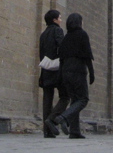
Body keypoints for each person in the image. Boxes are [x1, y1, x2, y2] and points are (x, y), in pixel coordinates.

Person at [45, 12, 95, 139]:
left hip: (66, 72)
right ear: (79, 22)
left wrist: (61, 76)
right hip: (78, 71)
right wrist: (91, 72)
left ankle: (74, 131)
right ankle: (62, 117)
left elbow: (61, 58)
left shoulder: (66, 37)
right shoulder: (82, 34)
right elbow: (87, 55)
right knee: (83, 99)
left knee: (74, 101)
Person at [39, 9, 69, 138]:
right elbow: (62, 48)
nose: (61, 20)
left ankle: (47, 131)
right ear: (54, 20)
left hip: (45, 69)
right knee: (65, 96)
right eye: (60, 18)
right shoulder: (57, 30)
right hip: (57, 69)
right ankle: (52, 119)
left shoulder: (43, 34)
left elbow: (41, 53)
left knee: (47, 99)